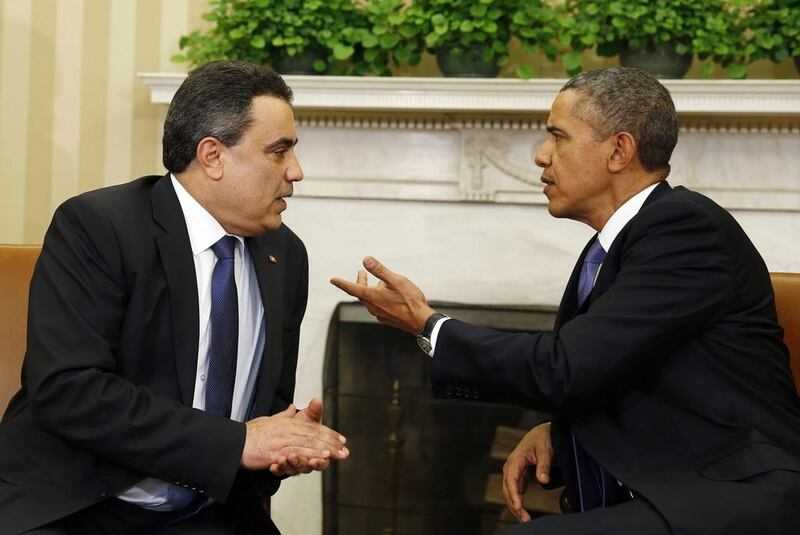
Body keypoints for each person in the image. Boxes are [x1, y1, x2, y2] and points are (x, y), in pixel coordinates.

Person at [331, 67, 800, 534]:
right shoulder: (617, 244)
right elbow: (615, 367)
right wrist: (560, 432)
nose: (540, 156)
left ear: (619, 150)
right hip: (671, 487)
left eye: (558, 137)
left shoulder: (686, 230)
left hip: (733, 496)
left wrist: (427, 325)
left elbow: (565, 368)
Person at [0, 61, 349, 535]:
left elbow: (265, 409)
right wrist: (237, 443)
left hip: (209, 514)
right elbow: (69, 391)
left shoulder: (285, 255)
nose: (296, 172)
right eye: (279, 151)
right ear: (213, 156)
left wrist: (280, 449)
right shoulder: (100, 226)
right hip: (80, 507)